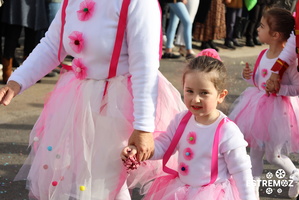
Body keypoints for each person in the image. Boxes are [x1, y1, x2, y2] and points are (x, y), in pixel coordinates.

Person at [0, 0, 186, 199]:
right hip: (78, 98)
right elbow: (52, 45)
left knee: (104, 181)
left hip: (117, 104)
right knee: (80, 177)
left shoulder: (137, 3)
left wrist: (143, 127)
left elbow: (145, 67)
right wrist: (16, 82)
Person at [121, 50, 256, 199]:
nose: (195, 99)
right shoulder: (181, 120)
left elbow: (241, 172)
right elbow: (164, 146)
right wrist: (140, 150)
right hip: (180, 191)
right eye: (189, 91)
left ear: (221, 96)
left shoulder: (227, 130)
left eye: (204, 93)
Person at [228, 7, 299, 199]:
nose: (257, 29)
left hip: (278, 113)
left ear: (275, 34)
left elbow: (297, 88)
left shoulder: (288, 61)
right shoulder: (262, 54)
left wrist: (280, 89)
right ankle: (253, 191)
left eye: (261, 26)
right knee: (255, 153)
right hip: (256, 108)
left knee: (273, 156)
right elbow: (258, 82)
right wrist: (249, 77)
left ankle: (295, 174)